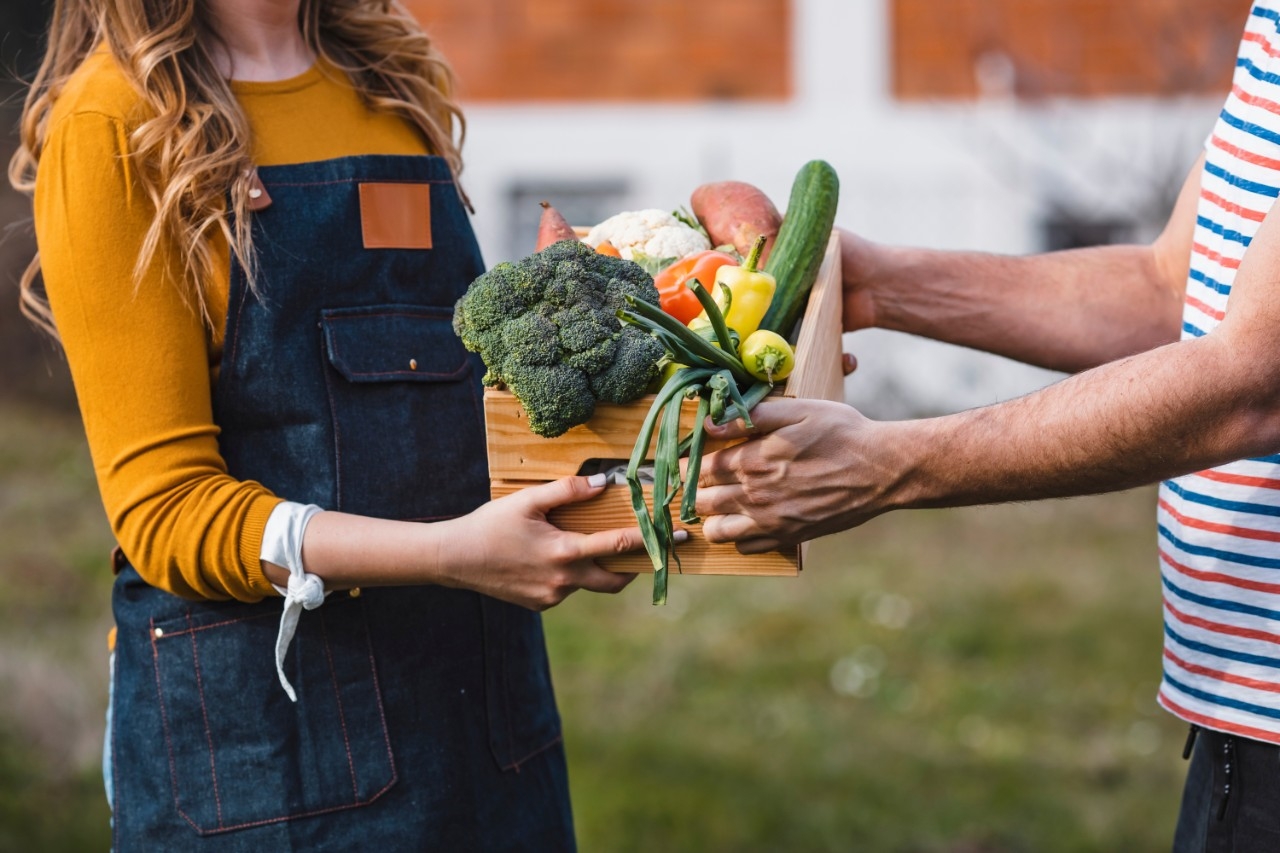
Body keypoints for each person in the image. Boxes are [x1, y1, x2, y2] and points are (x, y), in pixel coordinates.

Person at [10, 0, 654, 848]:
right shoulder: (115, 123)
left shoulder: (390, 80)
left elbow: (437, 380)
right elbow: (164, 512)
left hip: (479, 714)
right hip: (266, 758)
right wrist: (451, 553)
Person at [695, 1, 1280, 847]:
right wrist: (883, 286)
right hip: (1234, 715)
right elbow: (1170, 292)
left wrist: (888, 463)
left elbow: (1253, 379)